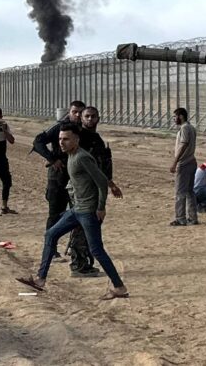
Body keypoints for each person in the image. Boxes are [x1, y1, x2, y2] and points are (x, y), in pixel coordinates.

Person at [17, 122, 129, 300]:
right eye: (60, 139)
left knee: (96, 250)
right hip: (76, 210)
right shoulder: (70, 155)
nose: (62, 142)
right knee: (51, 234)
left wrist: (101, 207)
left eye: (66, 139)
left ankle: (119, 287)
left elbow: (101, 181)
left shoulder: (82, 157)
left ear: (76, 140)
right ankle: (40, 280)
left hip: (88, 212)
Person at [69, 106, 122, 276]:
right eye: (87, 116)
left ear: (98, 118)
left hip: (93, 190)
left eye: (93, 116)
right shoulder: (78, 138)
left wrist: (111, 184)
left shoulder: (97, 140)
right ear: (81, 118)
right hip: (81, 190)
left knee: (89, 227)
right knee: (81, 227)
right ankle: (79, 265)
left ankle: (83, 261)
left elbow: (101, 167)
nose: (90, 119)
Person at [31, 100, 86, 256]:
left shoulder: (84, 130)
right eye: (74, 112)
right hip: (58, 178)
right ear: (69, 112)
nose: (77, 115)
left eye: (80, 112)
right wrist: (51, 159)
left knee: (80, 214)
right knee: (55, 214)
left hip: (76, 179)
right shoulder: (60, 127)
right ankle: (51, 248)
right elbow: (38, 141)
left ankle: (76, 248)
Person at [169, 107, 198, 226]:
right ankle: (193, 217)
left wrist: (175, 162)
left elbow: (184, 144)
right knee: (190, 192)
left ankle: (180, 218)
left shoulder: (185, 128)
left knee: (180, 192)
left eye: (175, 117)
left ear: (181, 116)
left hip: (184, 163)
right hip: (191, 161)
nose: (174, 119)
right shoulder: (191, 127)